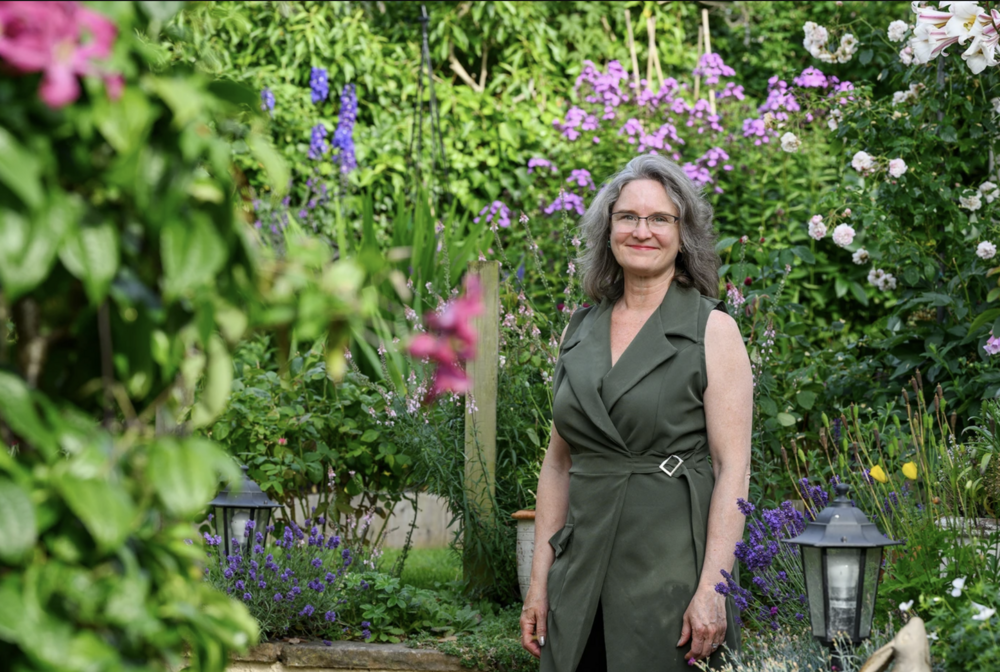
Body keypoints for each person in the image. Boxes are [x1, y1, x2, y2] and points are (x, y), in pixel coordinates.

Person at [519, 154, 753, 671]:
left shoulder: (712, 331)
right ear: (608, 230)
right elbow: (559, 464)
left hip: (669, 569)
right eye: (627, 217)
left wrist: (714, 588)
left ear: (682, 233)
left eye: (659, 219)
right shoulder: (577, 329)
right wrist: (539, 581)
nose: (641, 231)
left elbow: (732, 468)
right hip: (579, 570)